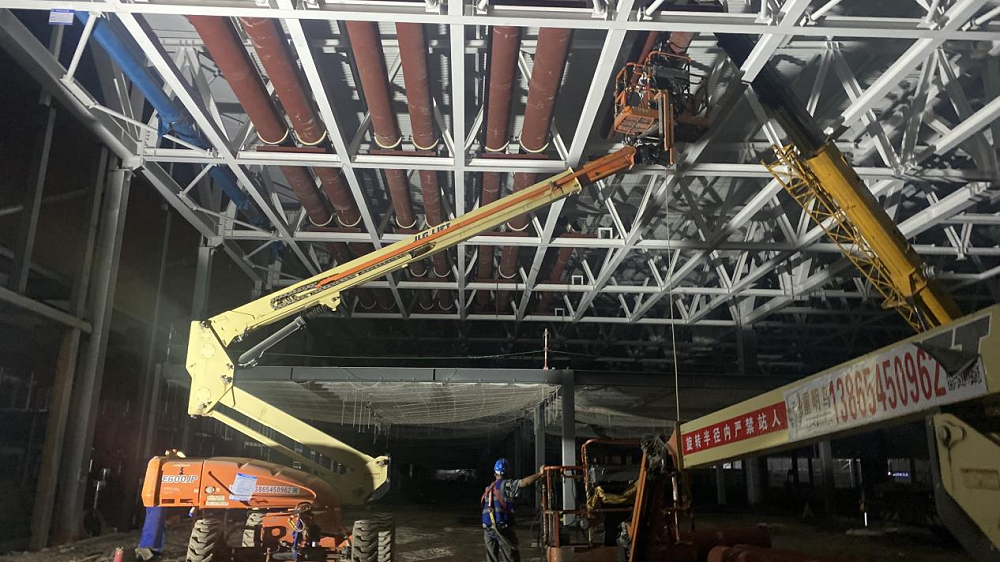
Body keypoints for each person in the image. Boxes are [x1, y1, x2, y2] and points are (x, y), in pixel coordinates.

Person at [481, 458, 544, 562]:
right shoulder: (506, 485)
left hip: (487, 527)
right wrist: (540, 473)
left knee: (491, 559)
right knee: (511, 557)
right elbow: (524, 483)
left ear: (494, 473)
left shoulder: (488, 488)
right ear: (507, 473)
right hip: (501, 527)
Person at [135, 449, 185, 561]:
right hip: (158, 497)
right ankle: (148, 550)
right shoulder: (162, 465)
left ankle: (153, 549)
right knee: (155, 522)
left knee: (158, 523)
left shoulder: (163, 464)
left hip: (160, 497)